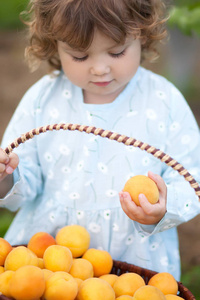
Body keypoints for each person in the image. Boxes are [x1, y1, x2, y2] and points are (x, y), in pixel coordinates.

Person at [0, 0, 200, 281]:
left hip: (133, 255)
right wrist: (5, 177)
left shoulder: (164, 102)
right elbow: (24, 176)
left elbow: (192, 176)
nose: (100, 69)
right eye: (80, 57)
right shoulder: (42, 99)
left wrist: (162, 210)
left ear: (141, 35)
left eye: (117, 52)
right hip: (52, 256)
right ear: (54, 45)